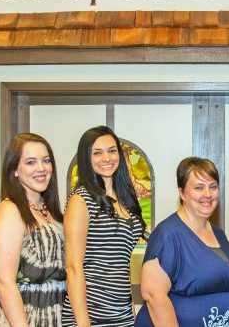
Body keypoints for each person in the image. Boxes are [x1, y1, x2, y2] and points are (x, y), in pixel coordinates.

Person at [136, 157, 229, 327]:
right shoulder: (167, 234)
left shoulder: (218, 233)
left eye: (213, 187)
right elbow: (153, 295)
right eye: (199, 187)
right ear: (181, 193)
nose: (208, 194)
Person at [61, 126, 146, 327]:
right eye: (97, 153)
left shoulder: (125, 200)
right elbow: (73, 266)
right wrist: (83, 323)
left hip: (122, 314)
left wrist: (131, 312)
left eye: (112, 150)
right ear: (86, 158)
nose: (106, 158)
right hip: (90, 314)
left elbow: (121, 263)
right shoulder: (81, 200)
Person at [0, 133, 66, 327]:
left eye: (46, 160)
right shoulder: (10, 210)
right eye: (31, 162)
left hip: (53, 312)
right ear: (14, 170)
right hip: (20, 316)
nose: (41, 168)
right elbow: (3, 281)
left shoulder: (50, 210)